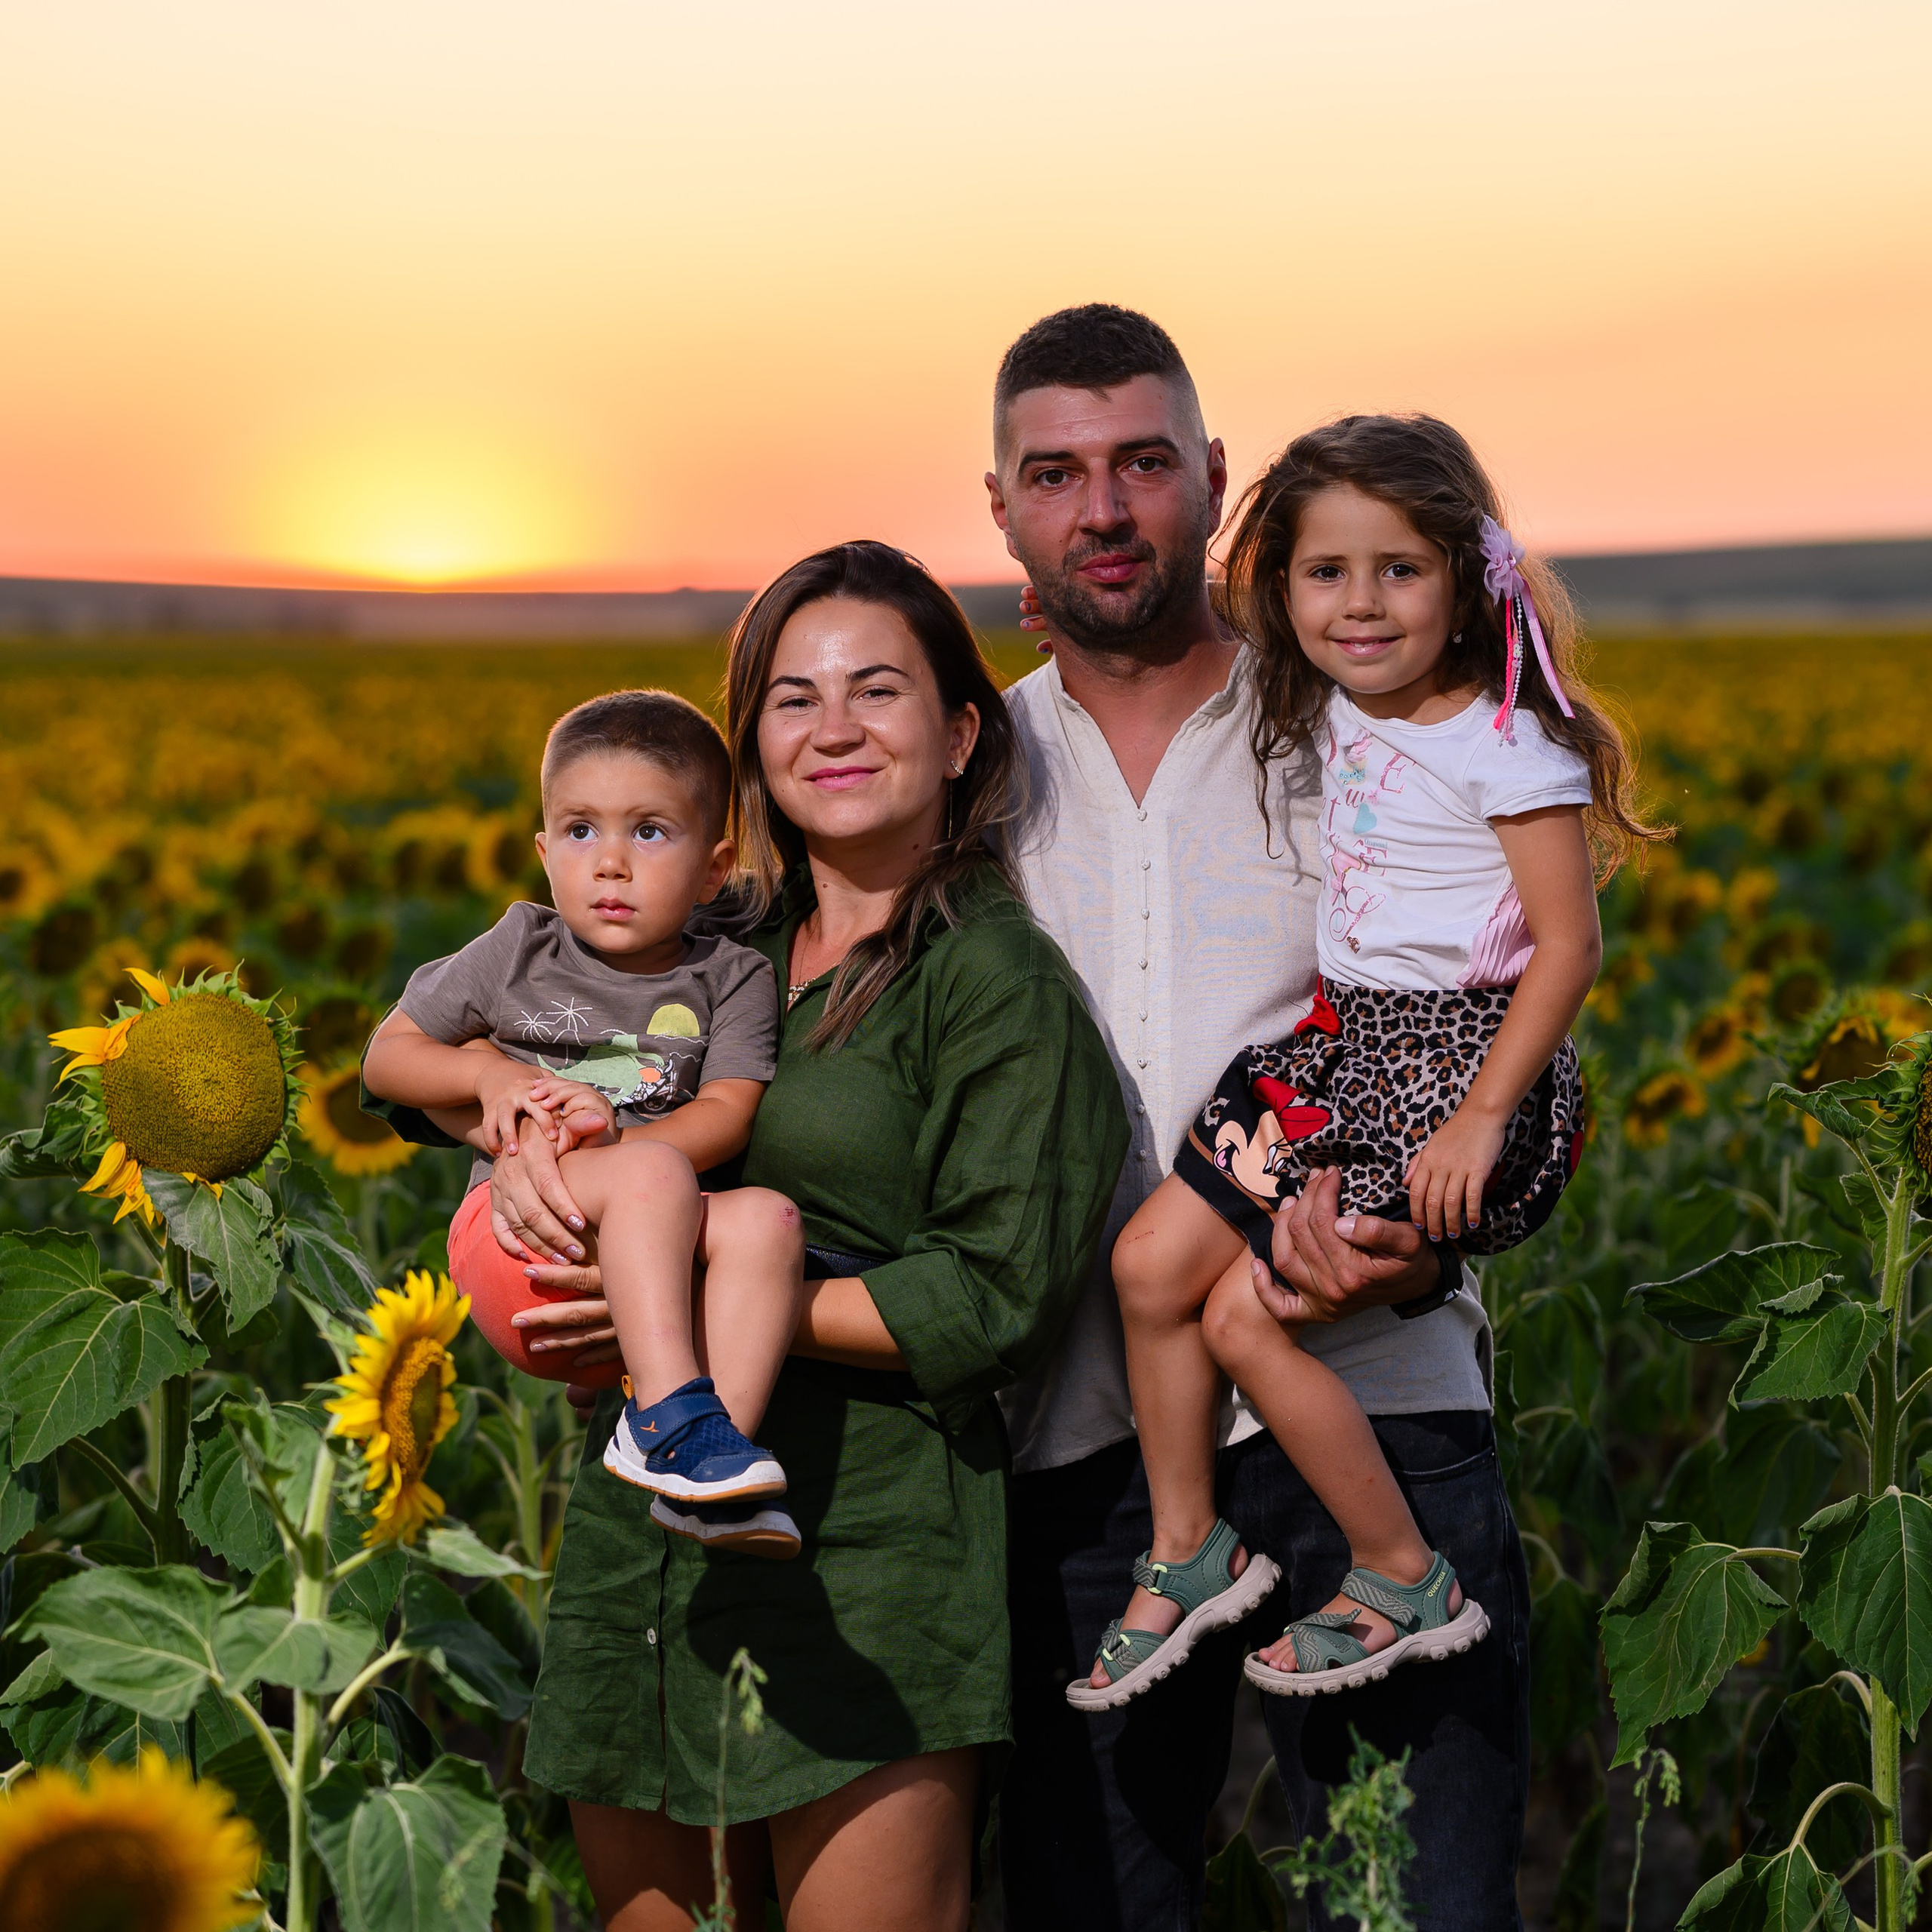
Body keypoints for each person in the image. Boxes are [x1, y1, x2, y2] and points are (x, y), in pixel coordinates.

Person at [404, 543, 1127, 1932]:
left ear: (964, 731)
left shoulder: (994, 982)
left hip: (864, 1552)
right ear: (751, 749)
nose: (834, 726)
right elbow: (462, 1059)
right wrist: (499, 1104)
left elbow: (993, 1297)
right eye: (793, 698)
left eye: (878, 690)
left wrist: (698, 1300)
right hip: (640, 1544)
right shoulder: (710, 941)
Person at [986, 306, 1537, 1929]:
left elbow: (1503, 1035)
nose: (1103, 507)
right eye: (1057, 472)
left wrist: (1408, 1245)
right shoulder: (963, 769)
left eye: (1143, 462)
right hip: (1081, 1450)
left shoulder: (1368, 733)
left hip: (1373, 1410)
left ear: (1214, 481)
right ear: (1001, 507)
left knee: (1412, 1908)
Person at [1078, 414, 1657, 1712]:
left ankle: (1400, 1571)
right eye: (1326, 572)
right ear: (1282, 588)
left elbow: (1567, 948)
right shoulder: (1332, 700)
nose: (1361, 604)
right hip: (1340, 1045)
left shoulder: (1504, 742)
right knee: (1149, 1264)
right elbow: (1205, 637)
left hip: (1453, 1069)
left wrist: (1479, 1122)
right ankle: (1187, 1549)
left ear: (1466, 580)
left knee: (1237, 1314)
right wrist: (1072, 623)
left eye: (1399, 569)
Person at [362, 690, 809, 1555]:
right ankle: (672, 1415)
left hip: (653, 1267)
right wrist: (488, 1074)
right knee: (659, 1177)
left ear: (714, 868)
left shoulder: (732, 976)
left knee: (768, 1221)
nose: (610, 863)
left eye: (648, 831)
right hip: (524, 1243)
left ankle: (703, 1465)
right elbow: (389, 1057)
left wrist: (625, 1144)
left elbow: (726, 1113)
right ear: (542, 850)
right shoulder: (520, 946)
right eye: (579, 831)